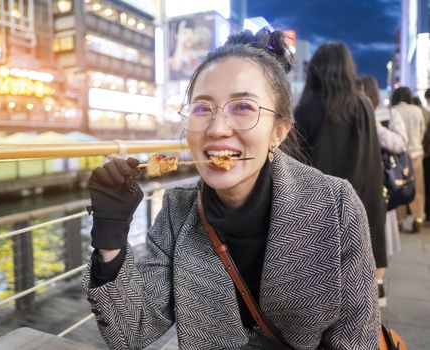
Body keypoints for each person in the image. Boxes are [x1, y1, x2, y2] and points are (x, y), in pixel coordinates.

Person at [82, 30, 380, 349]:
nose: (217, 129)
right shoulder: (178, 210)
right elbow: (132, 331)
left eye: (243, 108)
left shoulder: (335, 205)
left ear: (278, 131)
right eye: (201, 109)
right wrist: (110, 235)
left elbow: (357, 340)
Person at [294, 43, 387, 300]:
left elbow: (295, 164)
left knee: (322, 282)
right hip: (363, 200)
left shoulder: (307, 108)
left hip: (319, 208)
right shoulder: (364, 105)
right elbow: (372, 157)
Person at [361, 75, 408, 307]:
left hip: (383, 183)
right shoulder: (354, 114)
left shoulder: (389, 116)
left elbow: (400, 144)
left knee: (382, 232)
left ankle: (378, 282)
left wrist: (377, 128)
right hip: (363, 181)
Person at [391, 87, 426, 232]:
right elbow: (422, 130)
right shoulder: (417, 110)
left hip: (398, 156)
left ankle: (398, 220)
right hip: (416, 154)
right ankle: (418, 217)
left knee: (398, 186)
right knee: (417, 187)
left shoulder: (392, 111)